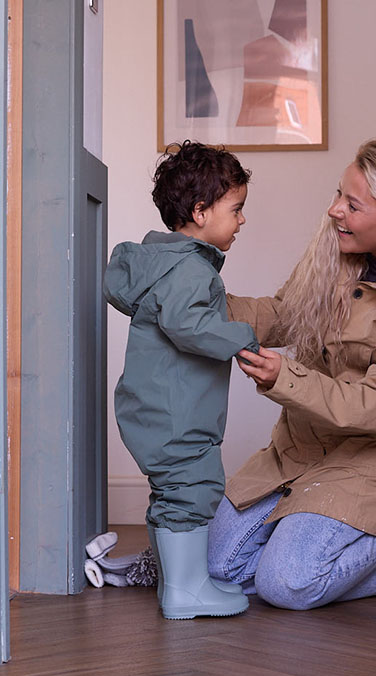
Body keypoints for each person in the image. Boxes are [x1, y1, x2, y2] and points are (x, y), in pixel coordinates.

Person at [207, 140, 376, 610]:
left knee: (286, 584)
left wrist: (283, 379)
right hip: (302, 450)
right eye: (339, 194)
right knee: (220, 568)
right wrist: (200, 301)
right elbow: (284, 314)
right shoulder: (337, 254)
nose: (334, 210)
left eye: (352, 205)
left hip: (373, 461)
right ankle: (314, 539)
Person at [103, 141, 259, 619]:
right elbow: (189, 327)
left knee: (173, 493)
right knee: (192, 489)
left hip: (156, 409)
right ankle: (186, 593)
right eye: (236, 210)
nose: (242, 220)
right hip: (177, 414)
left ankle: (181, 583)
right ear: (200, 211)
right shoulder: (191, 269)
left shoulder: (164, 264)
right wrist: (243, 335)